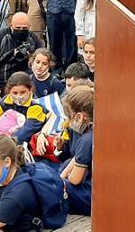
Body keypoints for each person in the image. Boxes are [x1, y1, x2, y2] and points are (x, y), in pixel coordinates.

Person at [0, 12, 44, 92]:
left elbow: (44, 58)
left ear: (29, 27)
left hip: (27, 82)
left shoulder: (33, 39)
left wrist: (32, 58)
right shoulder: (0, 37)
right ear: (11, 25)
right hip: (2, 82)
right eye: (18, 28)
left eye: (24, 28)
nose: (21, 30)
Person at [60, 85, 94, 216]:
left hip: (91, 198)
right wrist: (61, 177)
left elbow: (75, 180)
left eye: (70, 117)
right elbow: (76, 159)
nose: (68, 122)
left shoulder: (86, 140)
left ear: (80, 117)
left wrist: (61, 182)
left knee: (56, 188)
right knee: (66, 164)